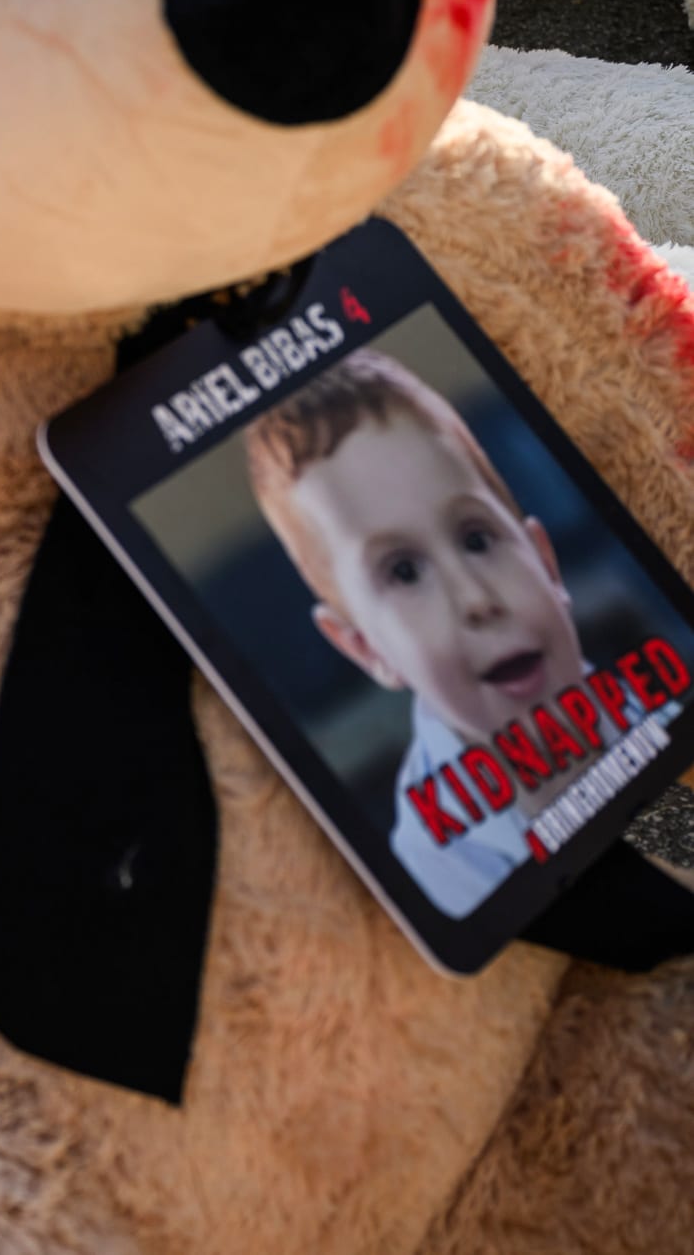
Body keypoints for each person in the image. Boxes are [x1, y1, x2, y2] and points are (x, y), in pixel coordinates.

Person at [243, 349, 656, 918]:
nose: (475, 599)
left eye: (477, 538)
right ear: (367, 650)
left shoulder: (639, 705)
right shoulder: (434, 857)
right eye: (404, 571)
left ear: (546, 563)